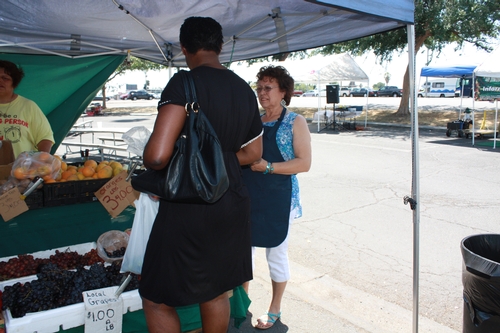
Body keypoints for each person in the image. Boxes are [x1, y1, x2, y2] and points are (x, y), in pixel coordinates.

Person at [138, 17, 263, 333]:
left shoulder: (183, 83)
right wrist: (215, 162)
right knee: (215, 290)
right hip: (231, 202)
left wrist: (196, 163)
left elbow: (156, 156)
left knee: (155, 298)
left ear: (183, 48)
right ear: (220, 46)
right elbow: (252, 154)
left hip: (190, 207)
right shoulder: (243, 89)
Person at [241, 65, 312, 330]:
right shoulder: (253, 122)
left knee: (276, 255)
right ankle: (242, 303)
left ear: (283, 92)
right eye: (259, 88)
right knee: (243, 255)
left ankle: (274, 308)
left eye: (268, 88)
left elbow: (304, 163)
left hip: (280, 200)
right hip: (250, 197)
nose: (262, 93)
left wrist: (269, 167)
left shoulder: (295, 122)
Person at [0, 60, 54, 158]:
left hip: (21, 171)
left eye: (5, 78)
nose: (0, 81)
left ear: (14, 83)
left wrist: (39, 162)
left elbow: (45, 138)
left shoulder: (28, 106)